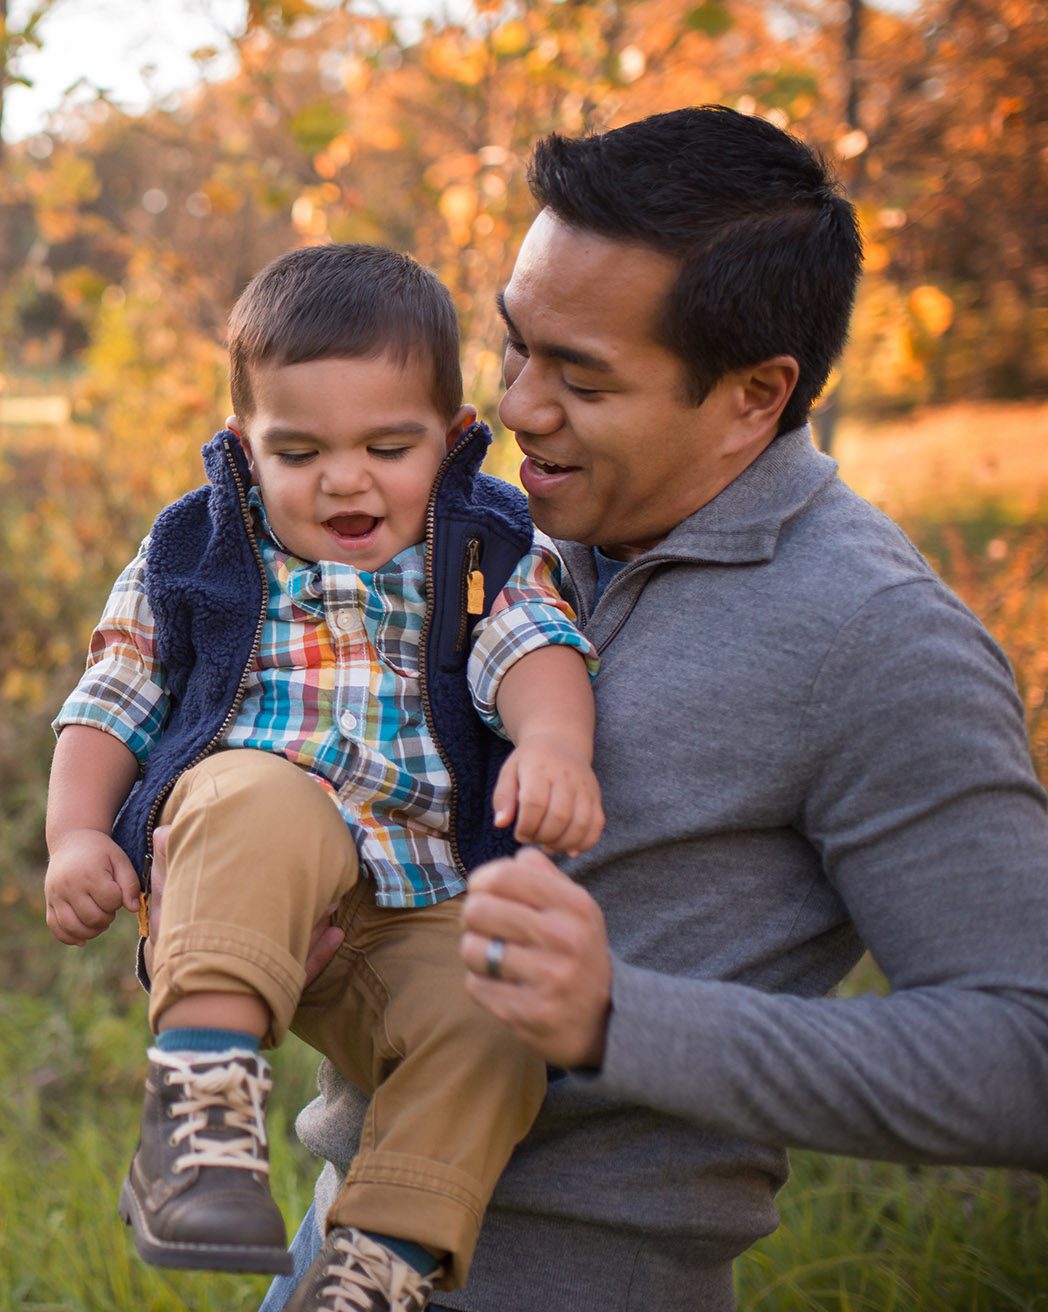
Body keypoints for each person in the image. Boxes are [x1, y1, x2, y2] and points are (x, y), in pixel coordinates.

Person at [255, 105, 1048, 1312]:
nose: (517, 407)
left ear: (751, 397)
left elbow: (1022, 1057)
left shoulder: (875, 637)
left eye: (580, 377)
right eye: (516, 347)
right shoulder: (479, 526)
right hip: (329, 1252)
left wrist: (622, 1016)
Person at [43, 243, 603, 1310]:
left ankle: (373, 1263)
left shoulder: (481, 544)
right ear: (243, 448)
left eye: (387, 445)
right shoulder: (200, 549)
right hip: (247, 875)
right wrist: (76, 834)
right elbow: (111, 696)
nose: (344, 479)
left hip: (408, 913)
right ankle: (199, 1122)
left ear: (449, 440)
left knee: (499, 1013)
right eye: (298, 451)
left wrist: (551, 748)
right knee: (257, 790)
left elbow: (534, 648)